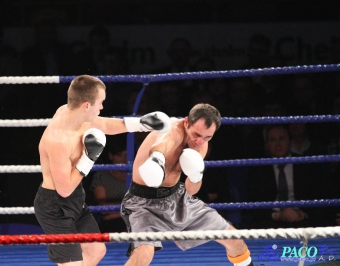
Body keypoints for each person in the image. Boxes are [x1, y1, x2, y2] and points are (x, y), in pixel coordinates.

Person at [33, 75, 171, 266]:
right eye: (100, 102)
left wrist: (140, 124)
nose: (102, 107)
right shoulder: (58, 140)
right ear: (86, 105)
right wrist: (88, 159)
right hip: (54, 206)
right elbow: (63, 189)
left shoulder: (74, 113)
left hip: (74, 198)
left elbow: (105, 124)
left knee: (96, 249)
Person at [121, 103, 254, 266]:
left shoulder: (201, 144)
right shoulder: (171, 129)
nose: (200, 141)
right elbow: (163, 144)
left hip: (176, 197)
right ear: (186, 122)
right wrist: (157, 159)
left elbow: (191, 191)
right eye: (196, 134)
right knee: (143, 254)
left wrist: (196, 175)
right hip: (143, 203)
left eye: (207, 137)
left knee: (235, 241)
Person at [245, 125, 328, 229]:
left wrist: (301, 213)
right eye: (272, 140)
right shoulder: (258, 169)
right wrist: (277, 215)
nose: (278, 144)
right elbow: (252, 205)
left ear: (290, 141)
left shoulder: (305, 164)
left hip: (303, 221)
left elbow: (319, 196)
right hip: (269, 223)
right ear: (267, 144)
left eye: (282, 139)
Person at [90, 134, 128, 233]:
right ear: (111, 156)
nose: (124, 160)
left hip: (138, 221)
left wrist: (117, 211)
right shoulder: (102, 175)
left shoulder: (138, 174)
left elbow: (148, 204)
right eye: (119, 155)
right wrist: (131, 210)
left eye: (126, 155)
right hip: (113, 223)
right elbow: (104, 210)